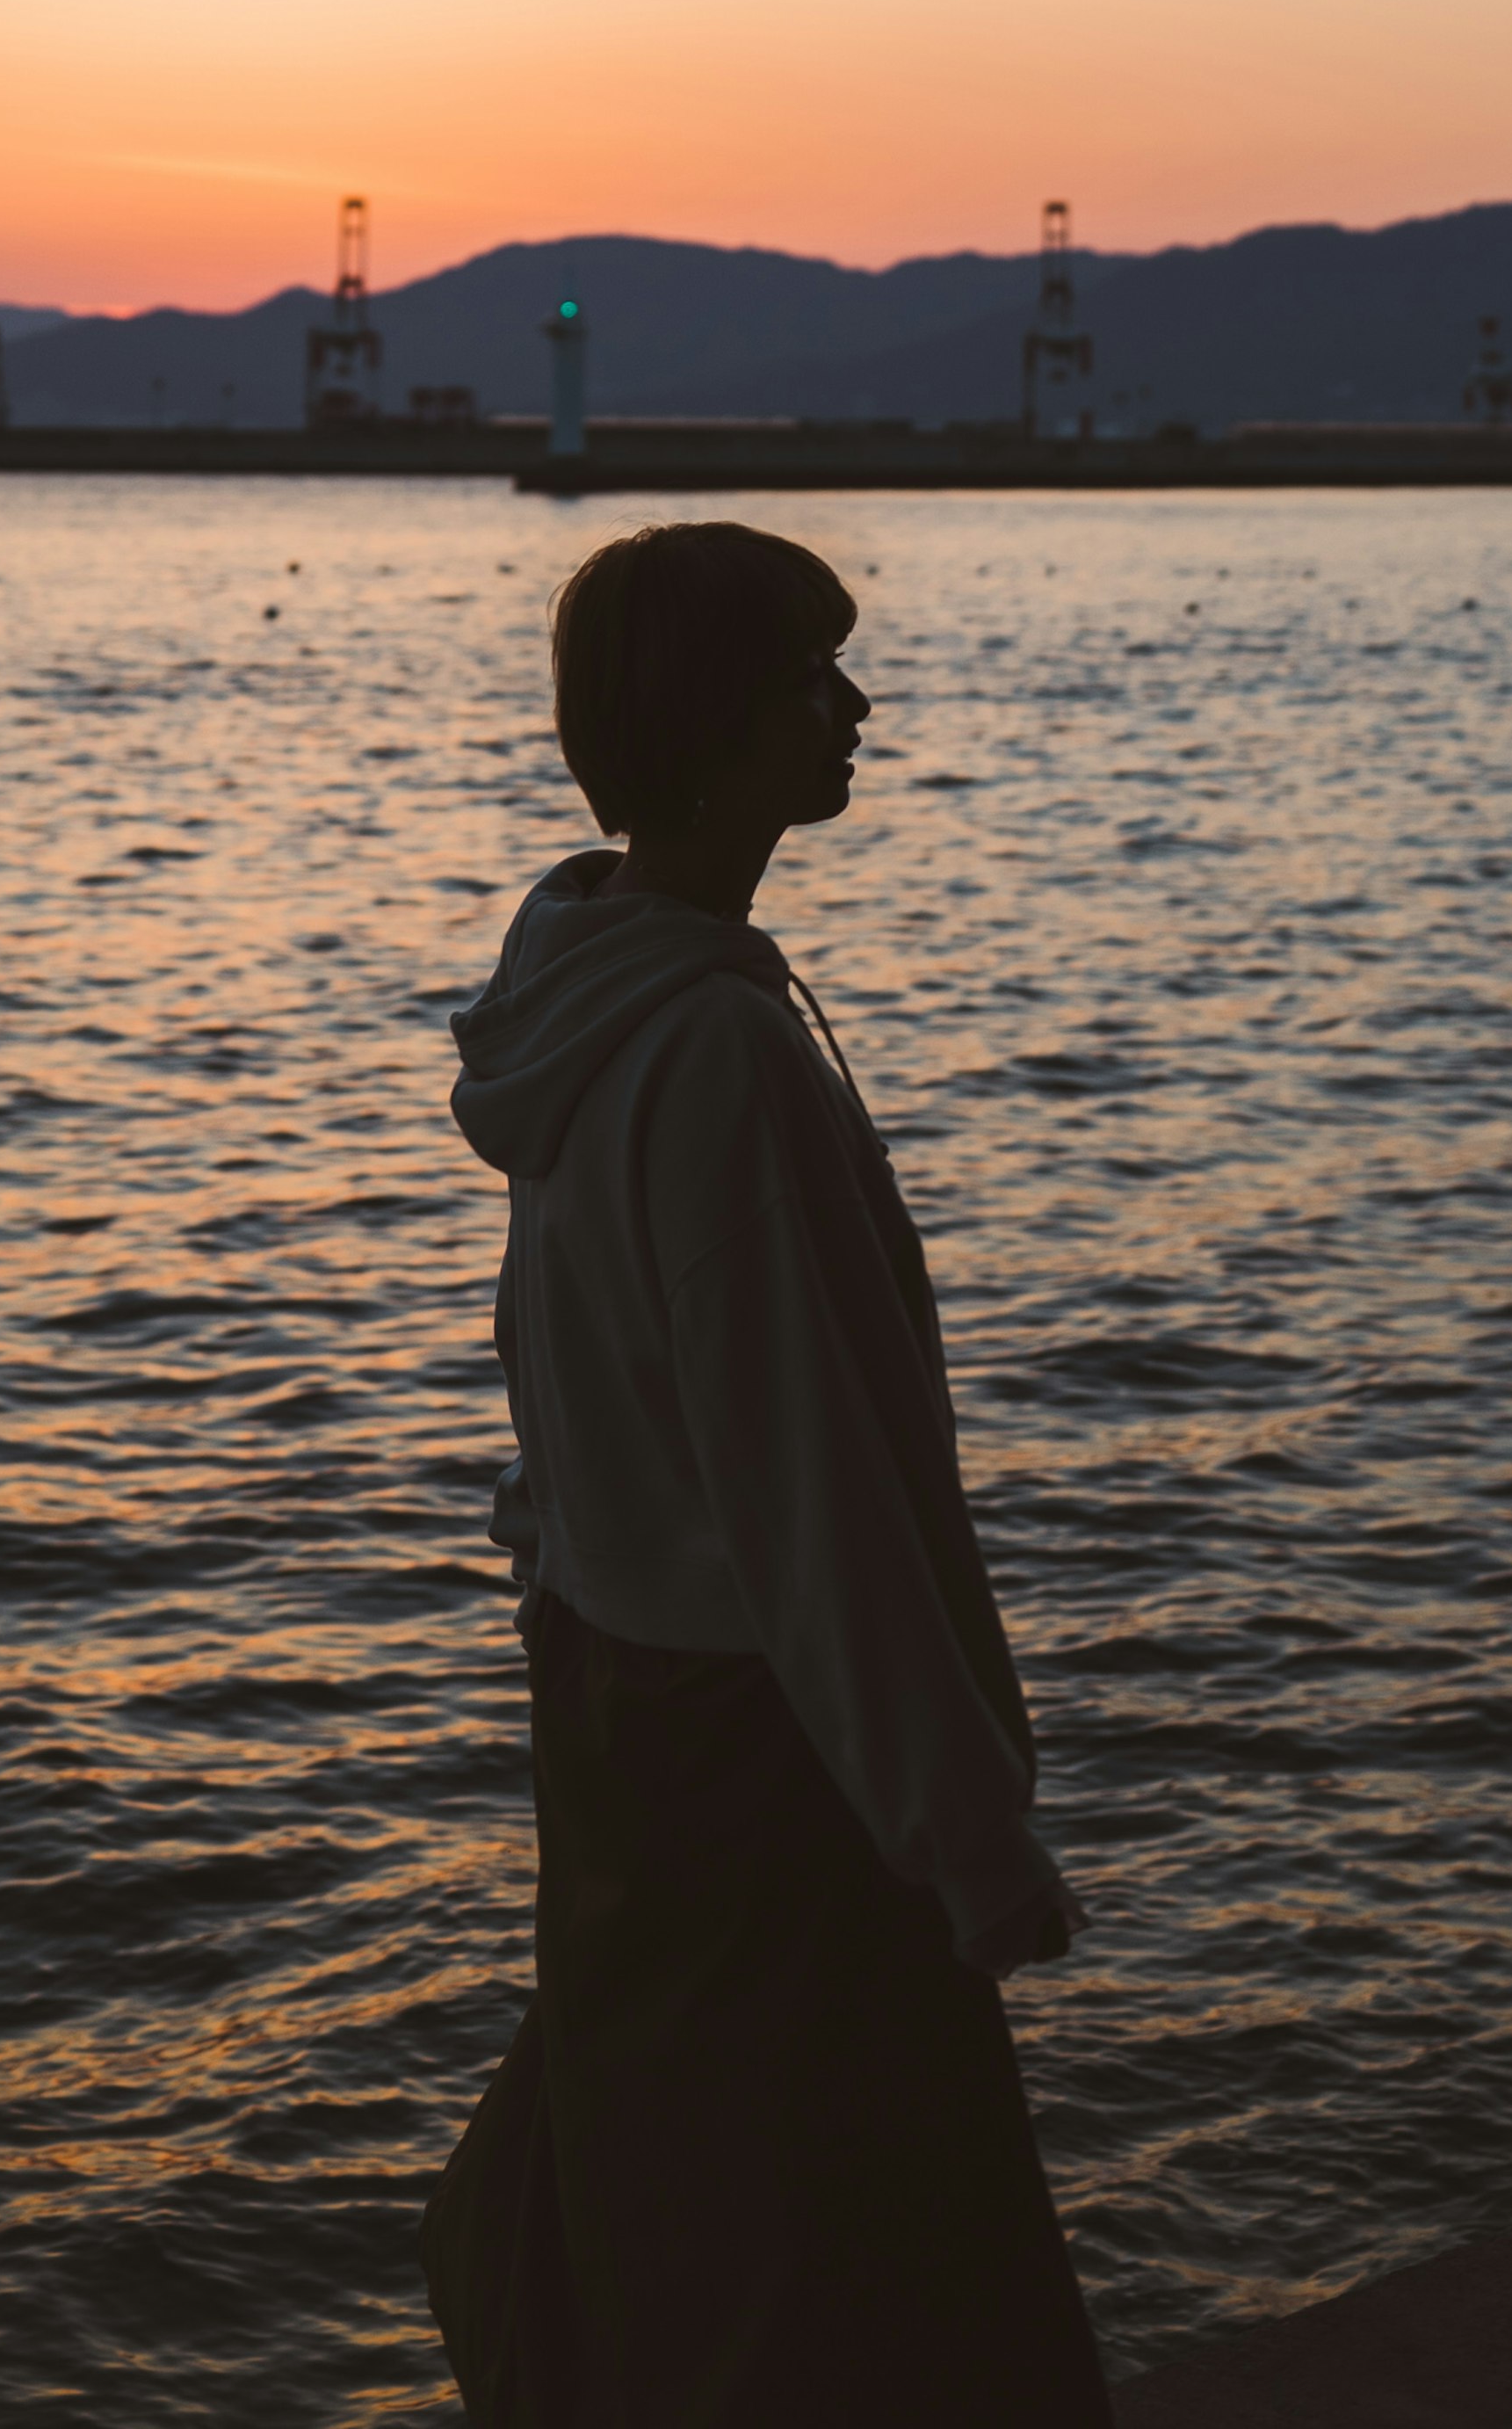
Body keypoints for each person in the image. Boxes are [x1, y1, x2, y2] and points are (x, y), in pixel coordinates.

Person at [423, 518, 1109, 2426]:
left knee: (679, 2212)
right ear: (726, 726)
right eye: (816, 677)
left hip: (624, 1714)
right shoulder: (709, 1056)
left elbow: (562, 1386)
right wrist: (969, 1837)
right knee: (862, 2263)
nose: (858, 707)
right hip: (767, 1761)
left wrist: (572, 1598)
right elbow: (810, 1498)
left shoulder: (584, 1012)